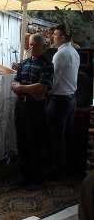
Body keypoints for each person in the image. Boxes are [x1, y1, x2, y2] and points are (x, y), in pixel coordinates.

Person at [11, 33, 53, 188]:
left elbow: (43, 87)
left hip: (36, 108)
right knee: (21, 141)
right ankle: (25, 175)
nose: (32, 48)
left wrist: (22, 88)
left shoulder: (47, 65)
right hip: (21, 106)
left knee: (35, 142)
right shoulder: (23, 63)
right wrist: (29, 89)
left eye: (36, 45)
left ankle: (37, 178)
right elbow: (14, 84)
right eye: (30, 45)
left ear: (43, 46)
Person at [46, 24, 80, 179]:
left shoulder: (60, 54)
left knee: (56, 137)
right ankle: (69, 167)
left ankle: (56, 169)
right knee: (67, 135)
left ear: (63, 37)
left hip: (59, 99)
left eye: (56, 34)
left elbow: (54, 78)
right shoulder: (73, 51)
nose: (52, 36)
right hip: (71, 98)